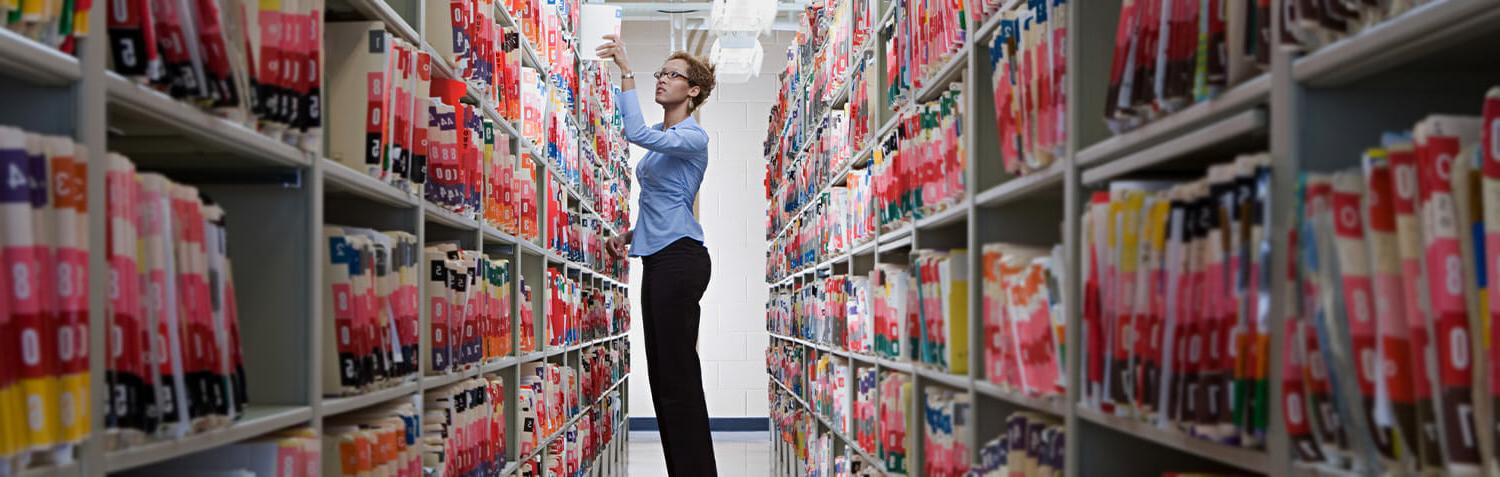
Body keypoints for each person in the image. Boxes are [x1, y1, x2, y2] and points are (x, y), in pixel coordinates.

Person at [595, 34, 719, 476]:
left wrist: (626, 71)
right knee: (664, 375)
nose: (662, 80)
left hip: (680, 259)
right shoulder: (669, 139)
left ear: (694, 90)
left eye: (673, 75)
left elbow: (634, 132)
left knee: (678, 374)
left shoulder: (692, 135)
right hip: (659, 256)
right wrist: (629, 237)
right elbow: (666, 204)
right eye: (660, 73)